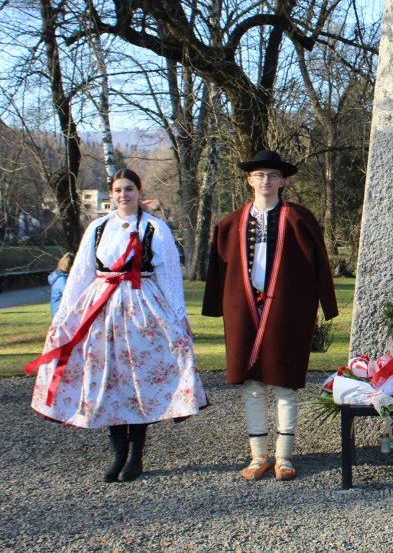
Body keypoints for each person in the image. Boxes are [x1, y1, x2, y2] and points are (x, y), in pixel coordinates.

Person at [26, 169, 207, 482]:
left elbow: (169, 278)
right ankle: (118, 454)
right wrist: (64, 317)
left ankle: (136, 456)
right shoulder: (98, 228)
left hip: (143, 310)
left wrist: (179, 317)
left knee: (138, 382)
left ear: (139, 192)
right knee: (109, 382)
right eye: (118, 190)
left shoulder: (155, 228)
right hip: (102, 312)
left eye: (129, 189)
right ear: (112, 194)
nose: (123, 195)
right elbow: (81, 274)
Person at [202, 150, 339, 481]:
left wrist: (326, 303)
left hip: (287, 308)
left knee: (284, 380)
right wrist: (216, 306)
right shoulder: (230, 224)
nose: (266, 181)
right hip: (245, 309)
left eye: (273, 176)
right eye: (260, 175)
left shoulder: (299, 218)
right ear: (249, 180)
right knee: (251, 381)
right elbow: (219, 270)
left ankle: (284, 456)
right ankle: (258, 455)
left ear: (283, 181)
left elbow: (319, 262)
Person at [49, 252, 74, 317]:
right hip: (60, 312)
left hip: (58, 309)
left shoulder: (59, 276)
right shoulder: (61, 279)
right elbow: (68, 294)